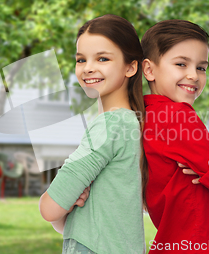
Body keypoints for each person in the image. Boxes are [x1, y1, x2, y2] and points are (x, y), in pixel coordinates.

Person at [39, 14, 147, 254]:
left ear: (131, 67)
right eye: (81, 59)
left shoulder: (109, 126)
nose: (88, 68)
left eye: (102, 58)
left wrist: (60, 201)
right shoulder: (132, 123)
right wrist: (68, 203)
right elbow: (65, 222)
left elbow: (50, 208)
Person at [141, 20, 209, 253]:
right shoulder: (178, 116)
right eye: (181, 64)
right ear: (149, 70)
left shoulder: (144, 116)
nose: (194, 75)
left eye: (201, 67)